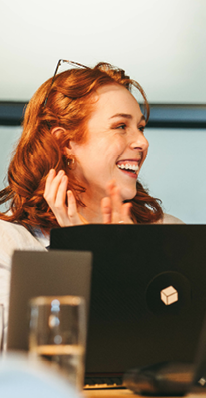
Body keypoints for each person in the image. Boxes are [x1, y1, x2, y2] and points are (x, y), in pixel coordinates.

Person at [0, 61, 181, 317]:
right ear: (65, 142)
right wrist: (81, 258)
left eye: (140, 127)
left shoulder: (170, 233)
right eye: (120, 126)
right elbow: (22, 352)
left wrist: (134, 258)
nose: (142, 141)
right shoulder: (8, 246)